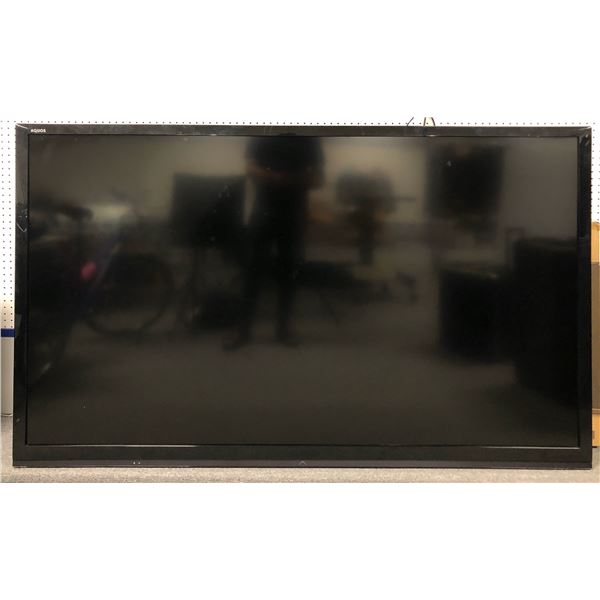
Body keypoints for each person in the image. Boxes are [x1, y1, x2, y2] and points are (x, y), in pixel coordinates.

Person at [225, 135, 324, 350]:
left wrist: (286, 179)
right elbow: (250, 168)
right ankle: (243, 331)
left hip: (294, 213)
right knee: (252, 271)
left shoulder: (309, 139)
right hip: (263, 212)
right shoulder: (261, 134)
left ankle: (283, 330)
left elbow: (318, 180)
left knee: (288, 273)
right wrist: (272, 177)